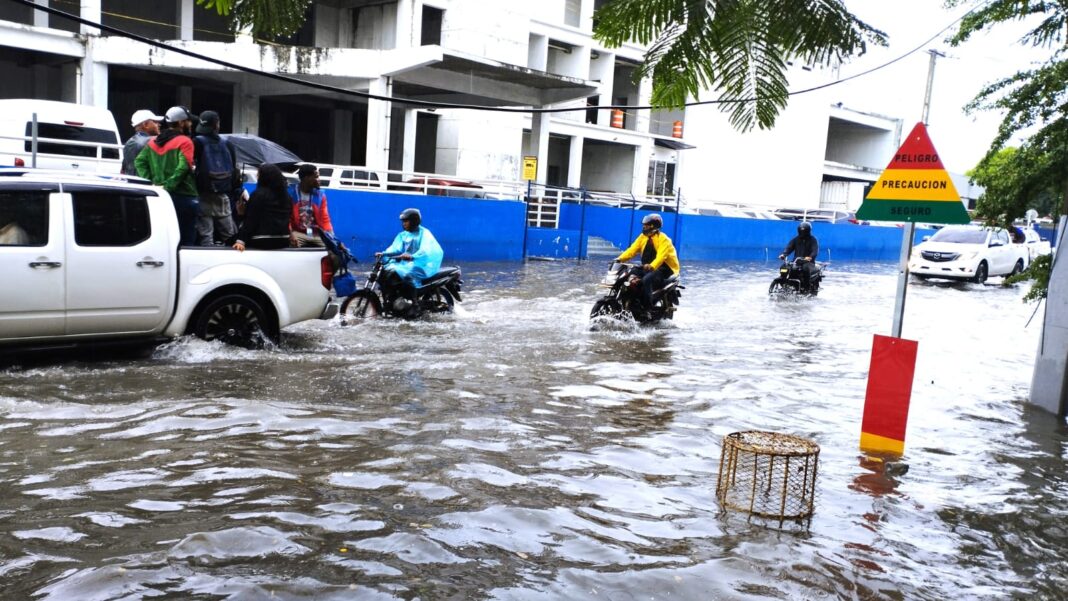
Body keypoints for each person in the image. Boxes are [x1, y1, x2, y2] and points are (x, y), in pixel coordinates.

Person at [135, 105, 199, 246]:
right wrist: (168, 186)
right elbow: (184, 167)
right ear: (181, 123)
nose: (191, 124)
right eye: (188, 121)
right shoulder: (185, 141)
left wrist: (152, 183)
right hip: (184, 195)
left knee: (166, 239)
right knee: (187, 240)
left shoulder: (153, 142)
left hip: (160, 197)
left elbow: (139, 161)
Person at [614, 213, 681, 316]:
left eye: (646, 225)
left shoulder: (664, 239)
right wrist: (619, 259)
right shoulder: (643, 237)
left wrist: (652, 266)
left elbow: (661, 257)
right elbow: (632, 250)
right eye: (644, 225)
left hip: (665, 268)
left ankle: (647, 308)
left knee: (646, 280)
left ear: (653, 226)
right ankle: (630, 301)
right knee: (629, 273)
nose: (643, 227)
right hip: (648, 267)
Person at [192, 110, 239, 246]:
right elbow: (234, 171)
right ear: (217, 125)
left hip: (203, 193)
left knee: (206, 235)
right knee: (229, 235)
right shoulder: (228, 144)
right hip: (222, 194)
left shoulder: (197, 142)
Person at [375, 208, 443, 299]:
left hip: (421, 264)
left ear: (414, 221)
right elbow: (395, 248)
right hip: (406, 263)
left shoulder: (424, 233)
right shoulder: (403, 235)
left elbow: (426, 250)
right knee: (387, 272)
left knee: (406, 274)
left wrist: (412, 256)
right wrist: (384, 254)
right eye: (403, 221)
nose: (404, 223)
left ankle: (414, 304)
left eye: (406, 221)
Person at [232, 164, 292, 251]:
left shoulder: (258, 194)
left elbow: (251, 220)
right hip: (283, 240)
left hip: (262, 239)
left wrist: (241, 240)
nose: (257, 177)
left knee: (228, 240)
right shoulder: (286, 196)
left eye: (258, 174)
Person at [287, 163, 334, 248]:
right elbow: (287, 219)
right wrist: (290, 234)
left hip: (316, 234)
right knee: (292, 247)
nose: (319, 179)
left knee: (334, 252)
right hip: (298, 233)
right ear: (306, 178)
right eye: (316, 177)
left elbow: (325, 219)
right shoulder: (291, 194)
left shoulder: (320, 195)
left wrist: (333, 238)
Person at [779, 221, 820, 289]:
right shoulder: (796, 239)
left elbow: (815, 251)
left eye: (804, 231)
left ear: (808, 231)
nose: (802, 233)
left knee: (805, 268)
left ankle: (806, 287)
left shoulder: (813, 240)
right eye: (801, 231)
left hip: (808, 262)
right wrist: (784, 254)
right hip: (796, 262)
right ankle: (784, 283)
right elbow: (789, 248)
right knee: (784, 267)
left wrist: (810, 257)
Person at [122, 109, 162, 176]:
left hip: (130, 183)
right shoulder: (152, 141)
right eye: (155, 122)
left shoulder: (128, 143)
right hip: (146, 184)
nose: (159, 124)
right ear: (145, 124)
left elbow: (124, 168)